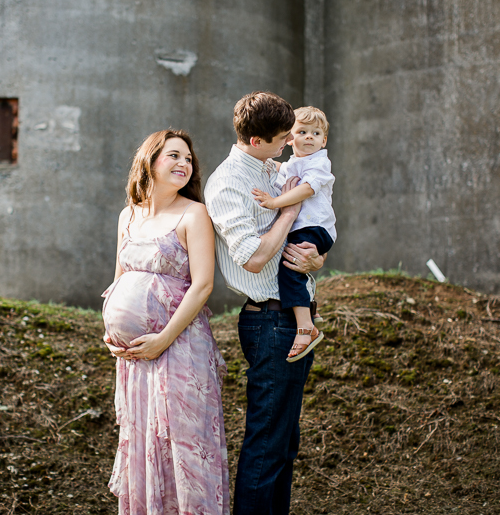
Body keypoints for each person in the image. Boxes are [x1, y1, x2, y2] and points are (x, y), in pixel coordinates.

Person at [205, 91, 326, 515]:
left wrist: (317, 258)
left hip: (291, 315)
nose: (290, 143)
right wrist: (288, 213)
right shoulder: (227, 183)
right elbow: (255, 258)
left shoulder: (273, 168)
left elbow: (308, 236)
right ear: (256, 141)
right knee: (267, 444)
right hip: (269, 323)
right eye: (282, 139)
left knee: (283, 443)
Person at [101, 130, 228, 515]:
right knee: (143, 447)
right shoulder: (129, 214)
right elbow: (119, 278)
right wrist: (110, 332)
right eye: (173, 155)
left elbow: (203, 285)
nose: (183, 164)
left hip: (181, 350)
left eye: (188, 159)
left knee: (184, 449)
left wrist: (162, 339)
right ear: (150, 161)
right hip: (136, 361)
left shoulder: (194, 213)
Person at [250, 106, 336, 362]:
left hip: (315, 227)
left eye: (316, 133)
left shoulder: (319, 162)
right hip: (304, 227)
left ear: (324, 140)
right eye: (302, 131)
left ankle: (305, 328)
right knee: (294, 264)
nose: (309, 137)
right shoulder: (291, 164)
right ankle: (309, 309)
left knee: (290, 269)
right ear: (290, 138)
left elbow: (307, 189)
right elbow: (281, 174)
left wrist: (277, 203)